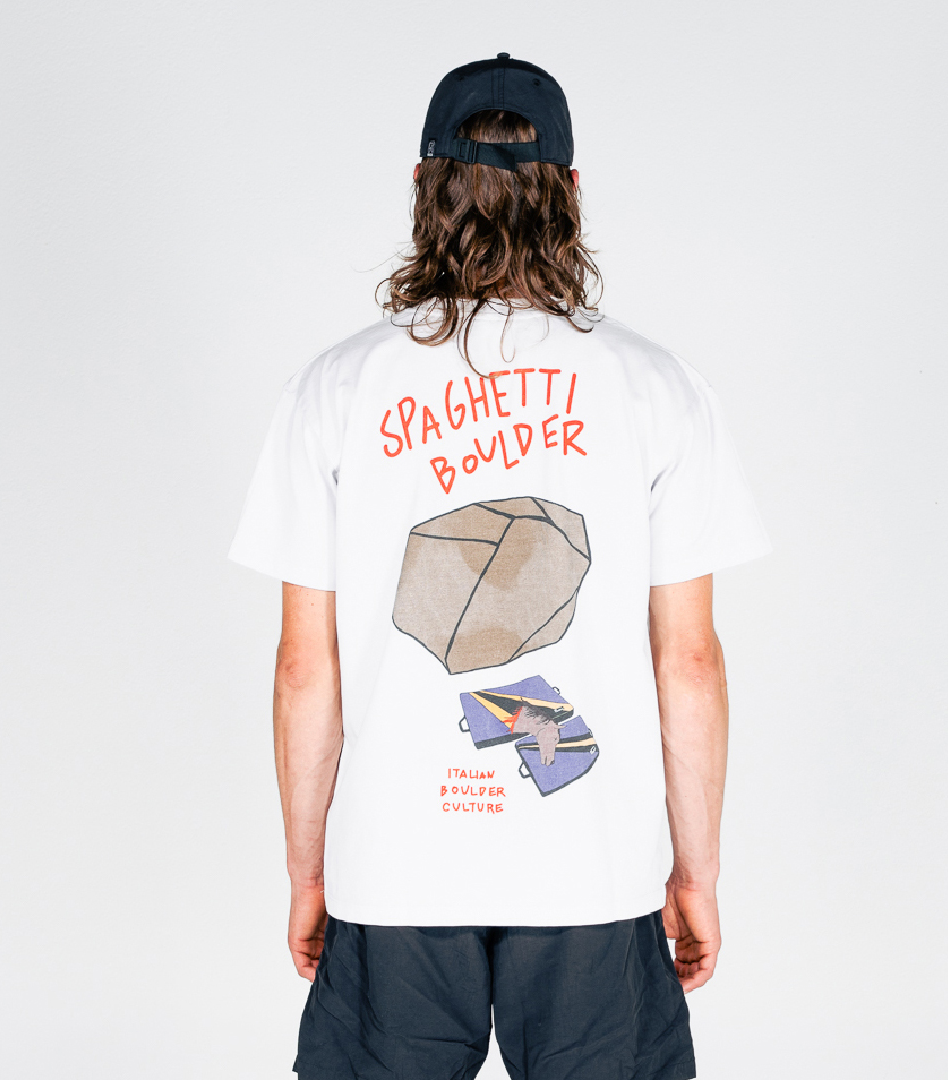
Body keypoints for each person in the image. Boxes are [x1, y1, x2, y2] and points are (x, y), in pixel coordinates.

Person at [229, 52, 771, 1080]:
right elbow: (689, 662)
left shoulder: (335, 389)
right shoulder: (655, 387)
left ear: (425, 186)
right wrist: (695, 870)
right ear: (569, 190)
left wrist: (311, 868)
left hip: (396, 869)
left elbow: (306, 668)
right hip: (590, 870)